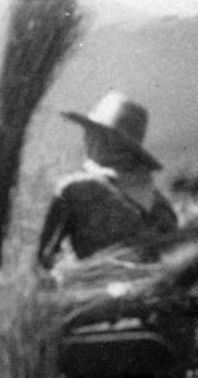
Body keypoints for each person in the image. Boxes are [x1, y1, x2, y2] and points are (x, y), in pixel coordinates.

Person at [36, 90, 178, 269]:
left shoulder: (73, 191)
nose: (85, 138)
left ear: (102, 139)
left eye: (90, 132)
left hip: (85, 291)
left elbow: (43, 261)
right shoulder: (161, 205)